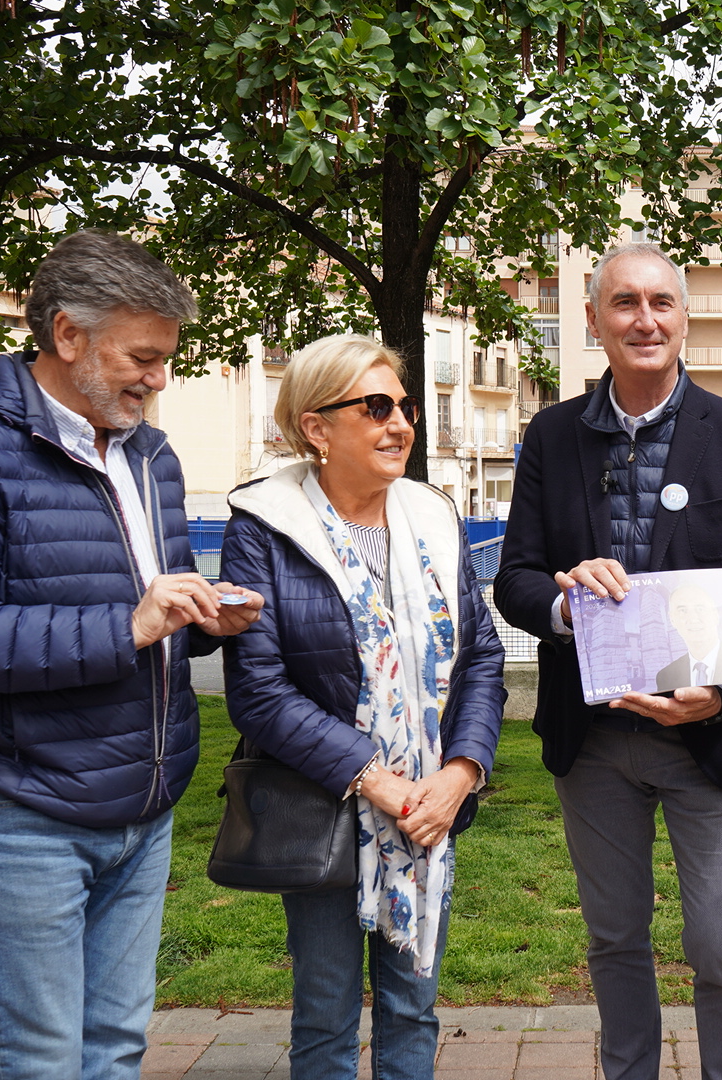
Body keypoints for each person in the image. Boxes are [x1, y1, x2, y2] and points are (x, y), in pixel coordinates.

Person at [0, 230, 265, 1079]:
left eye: (167, 358)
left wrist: (201, 618)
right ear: (66, 335)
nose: (158, 379)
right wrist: (127, 627)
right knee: (40, 1062)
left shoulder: (150, 455)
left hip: (142, 802)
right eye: (143, 356)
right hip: (18, 809)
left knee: (114, 1051)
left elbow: (147, 599)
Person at [493, 243, 722, 1080]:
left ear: (685, 317)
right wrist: (565, 604)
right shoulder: (551, 436)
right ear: (593, 321)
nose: (645, 319)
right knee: (615, 936)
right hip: (592, 738)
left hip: (710, 736)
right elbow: (514, 578)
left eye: (662, 302)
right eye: (624, 303)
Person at [219, 335, 505, 1080]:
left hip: (429, 810)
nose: (401, 424)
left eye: (404, 407)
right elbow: (258, 690)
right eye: (375, 407)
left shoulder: (433, 516)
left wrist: (462, 770)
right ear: (315, 427)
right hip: (326, 805)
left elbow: (480, 657)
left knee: (414, 1010)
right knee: (325, 1013)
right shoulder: (267, 523)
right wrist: (374, 778)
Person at [653, 583, 722, 691]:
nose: (693, 618)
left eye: (700, 609)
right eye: (683, 610)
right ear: (672, 619)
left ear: (716, 615)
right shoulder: (665, 676)